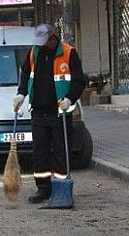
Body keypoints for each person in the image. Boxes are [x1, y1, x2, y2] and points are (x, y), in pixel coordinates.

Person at [13, 23, 86, 203]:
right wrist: (21, 93)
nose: (41, 46)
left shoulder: (69, 54)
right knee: (40, 152)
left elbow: (79, 81)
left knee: (61, 152)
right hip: (38, 111)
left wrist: (70, 98)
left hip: (59, 113)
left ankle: (61, 188)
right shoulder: (34, 53)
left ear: (53, 39)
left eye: (44, 42)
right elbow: (25, 73)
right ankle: (43, 188)